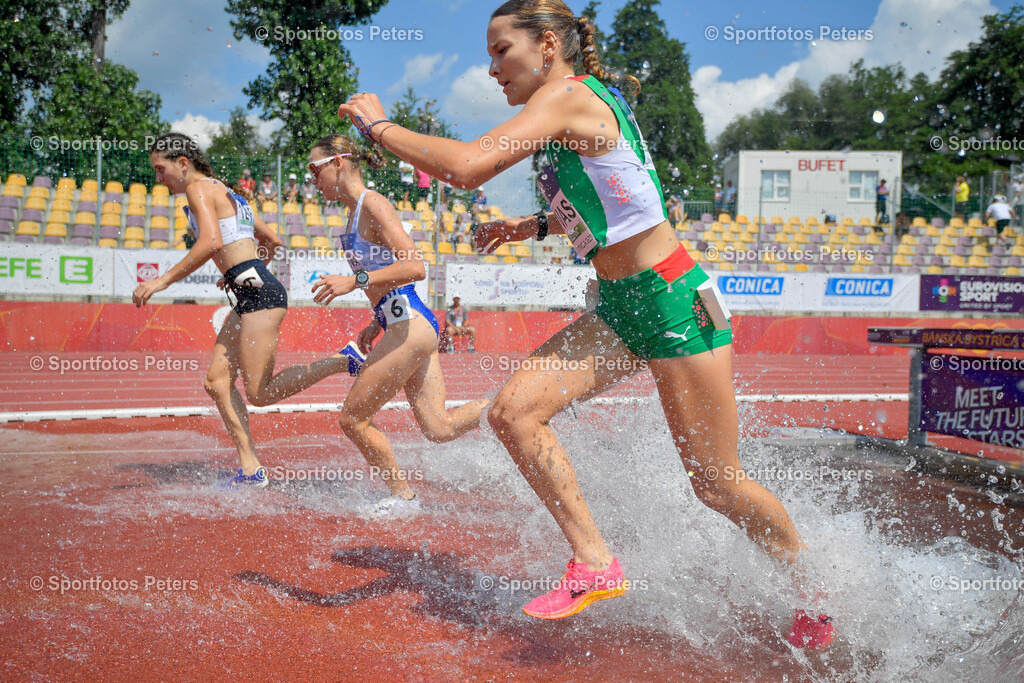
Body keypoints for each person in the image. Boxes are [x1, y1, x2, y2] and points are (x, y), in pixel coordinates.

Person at [337, 0, 834, 650]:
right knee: (513, 413)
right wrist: (529, 225)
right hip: (624, 306)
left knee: (716, 483)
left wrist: (378, 127)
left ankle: (816, 592)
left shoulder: (568, 97)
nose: (492, 68)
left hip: (676, 301)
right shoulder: (570, 108)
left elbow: (464, 167)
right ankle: (595, 562)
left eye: (501, 51)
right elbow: (618, 194)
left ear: (547, 46)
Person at [133, 133, 353, 488]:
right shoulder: (224, 191)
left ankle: (343, 360)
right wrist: (241, 272)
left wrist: (162, 281)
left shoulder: (199, 188)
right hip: (252, 291)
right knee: (217, 383)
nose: (158, 178)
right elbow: (272, 241)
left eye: (161, 169)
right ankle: (251, 469)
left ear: (183, 163)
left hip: (261, 298)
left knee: (260, 393)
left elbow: (211, 242)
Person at [307, 134, 490, 513]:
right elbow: (389, 277)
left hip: (410, 325)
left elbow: (415, 266)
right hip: (405, 324)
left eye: (315, 169)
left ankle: (403, 496)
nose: (312, 179)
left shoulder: (372, 203)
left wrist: (353, 281)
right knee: (438, 427)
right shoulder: (353, 214)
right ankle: (513, 406)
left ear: (338, 163)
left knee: (353, 419)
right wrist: (376, 324)